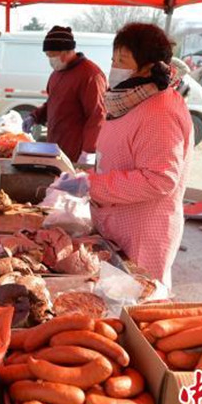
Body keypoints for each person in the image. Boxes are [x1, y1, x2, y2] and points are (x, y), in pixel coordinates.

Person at [55, 23, 193, 288]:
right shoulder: (129, 99)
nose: (114, 66)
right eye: (113, 59)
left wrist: (90, 185)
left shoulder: (160, 110)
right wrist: (88, 176)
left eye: (123, 60)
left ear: (149, 66)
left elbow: (160, 179)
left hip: (143, 231)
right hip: (115, 223)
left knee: (135, 304)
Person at [22, 26, 107, 163]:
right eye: (47, 55)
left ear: (67, 51)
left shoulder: (90, 75)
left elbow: (97, 115)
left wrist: (88, 152)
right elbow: (53, 102)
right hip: (55, 147)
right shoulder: (57, 73)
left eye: (52, 55)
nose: (50, 59)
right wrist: (35, 116)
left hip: (76, 151)